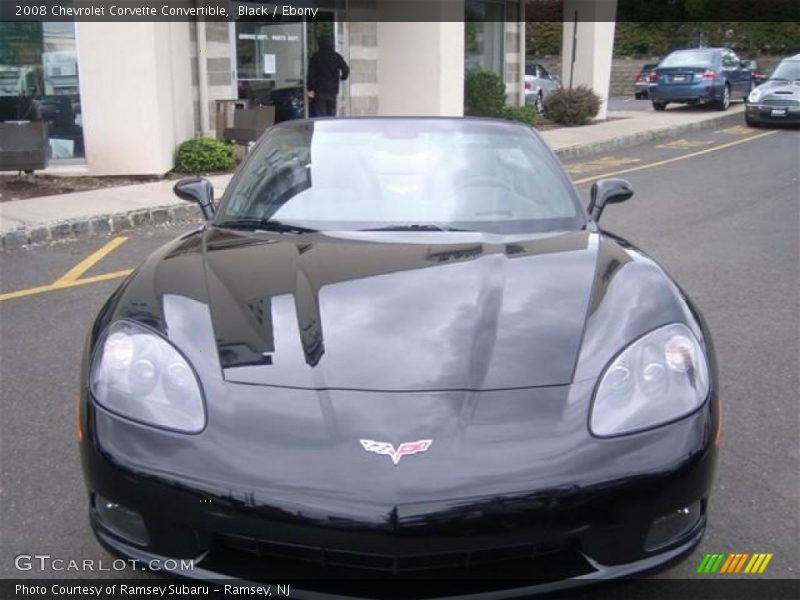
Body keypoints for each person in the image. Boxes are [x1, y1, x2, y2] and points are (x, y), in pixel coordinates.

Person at [306, 35, 349, 117]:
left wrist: (310, 88)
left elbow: (310, 74)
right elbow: (345, 70)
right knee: (331, 116)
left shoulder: (316, 57)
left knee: (320, 116)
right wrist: (343, 77)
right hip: (333, 91)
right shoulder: (336, 56)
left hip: (320, 91)